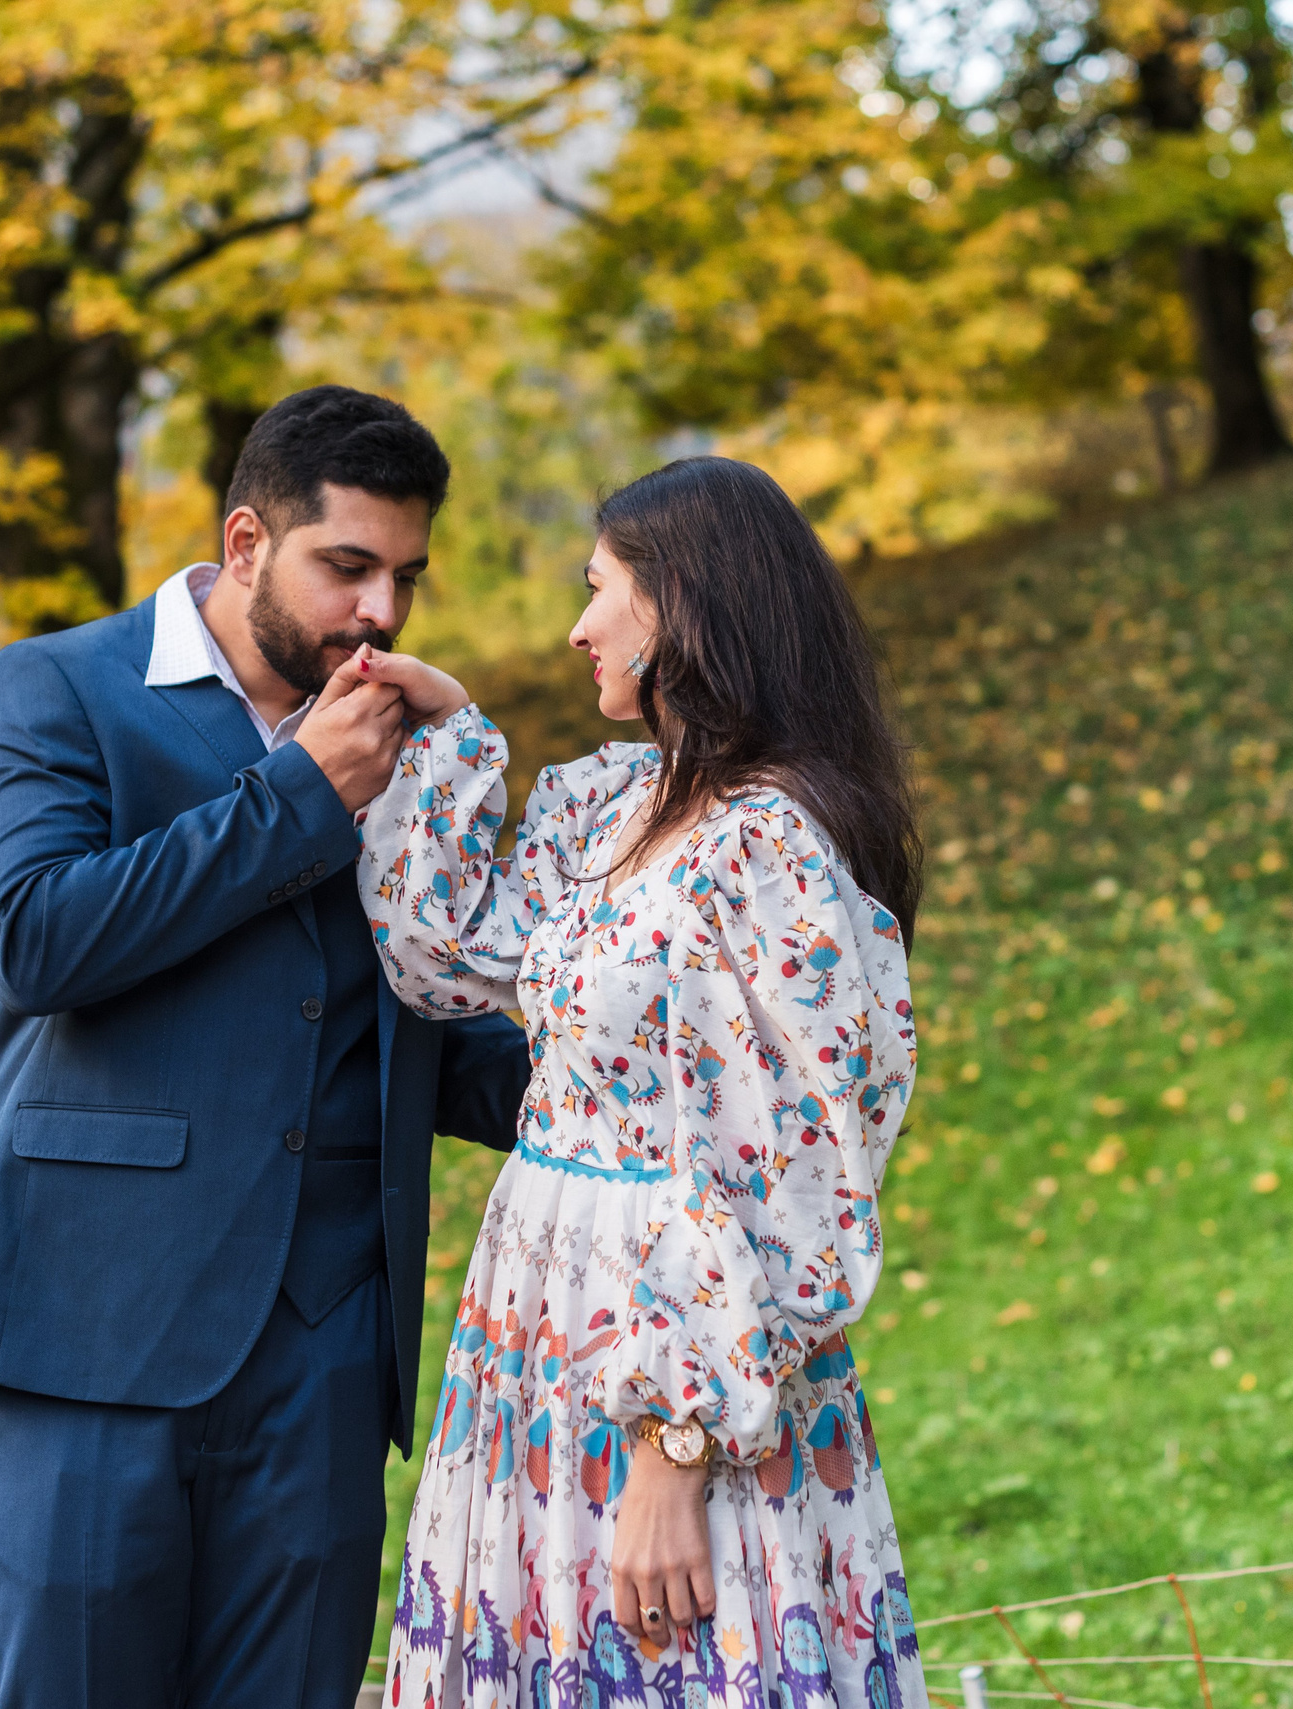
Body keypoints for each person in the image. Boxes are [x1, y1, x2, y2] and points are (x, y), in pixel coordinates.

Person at [0, 386, 534, 1709]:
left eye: (405, 578)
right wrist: (302, 793)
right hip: (86, 1336)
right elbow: (38, 942)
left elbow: (432, 1025)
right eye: (347, 568)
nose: (379, 613)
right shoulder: (58, 689)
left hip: (320, 1354)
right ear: (247, 542)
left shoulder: (406, 749)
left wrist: (658, 1071)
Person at [347, 455, 925, 1707]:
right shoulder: (623, 805)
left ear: (685, 606)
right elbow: (444, 955)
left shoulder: (768, 848)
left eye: (599, 588)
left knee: (681, 1652)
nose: (577, 624)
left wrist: (677, 1437)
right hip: (539, 1319)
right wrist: (447, 734)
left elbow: (805, 1170)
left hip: (673, 1360)